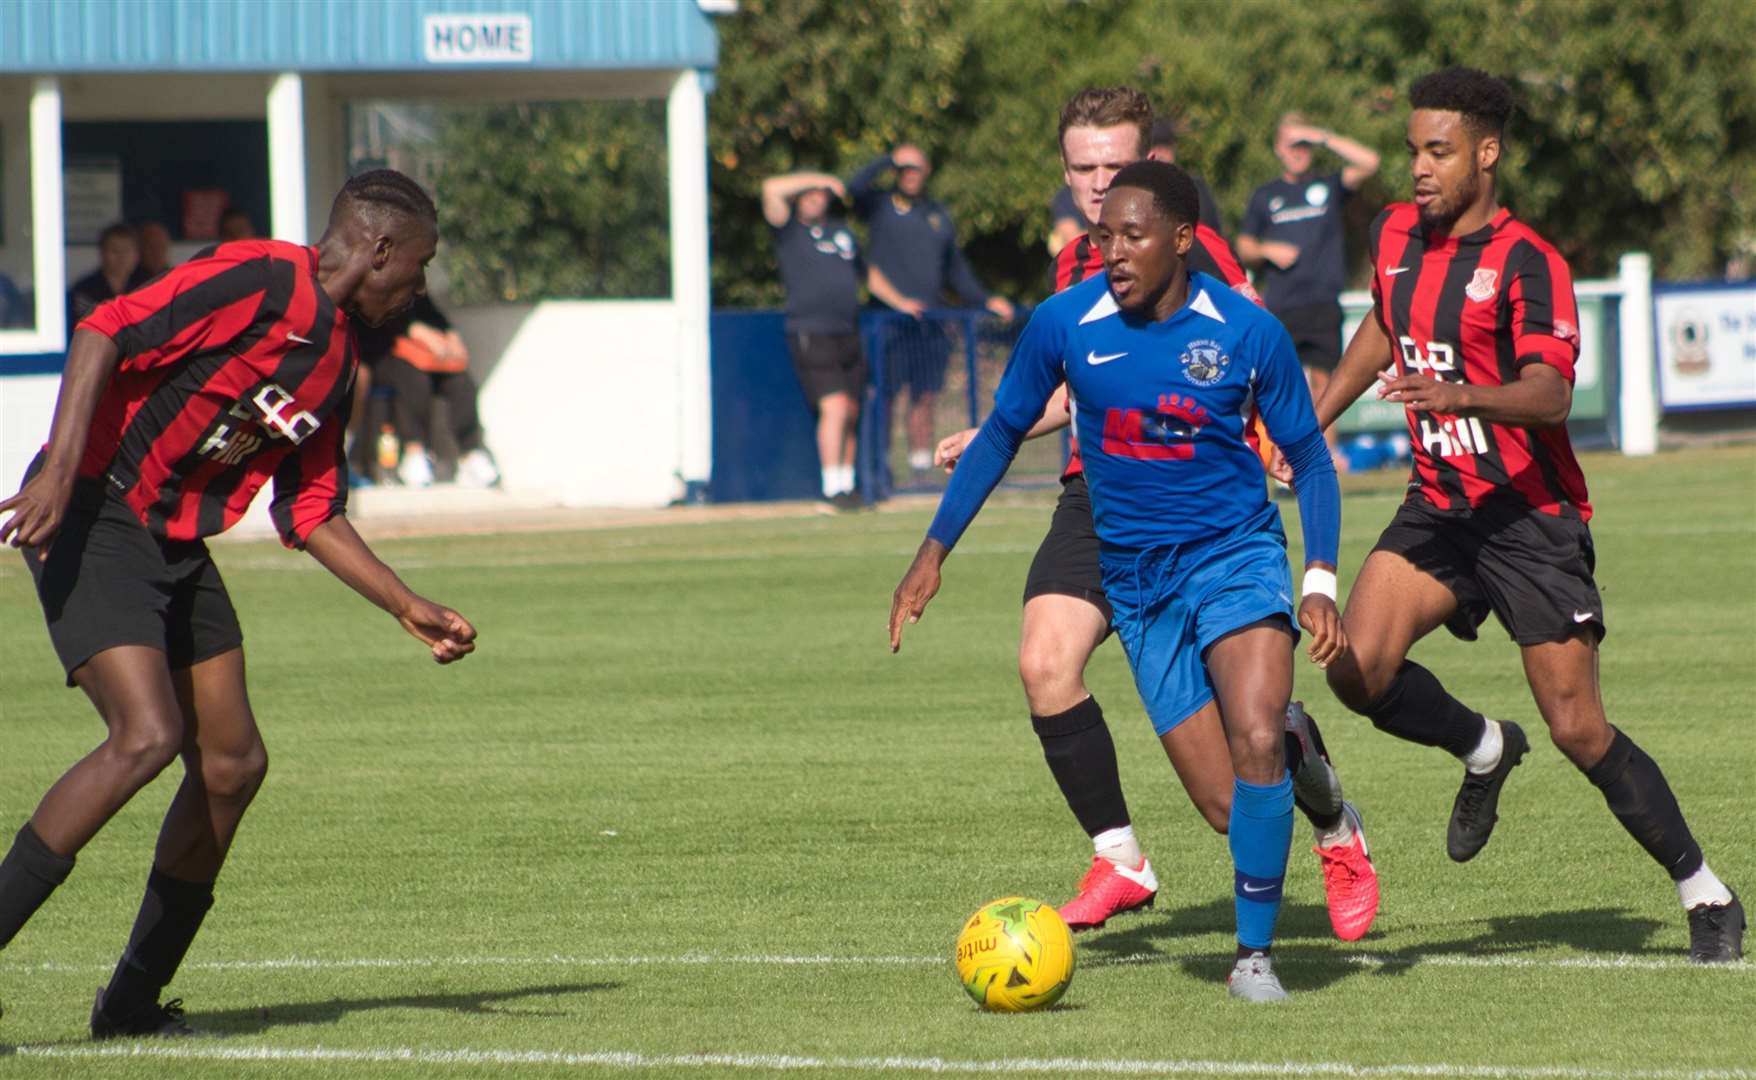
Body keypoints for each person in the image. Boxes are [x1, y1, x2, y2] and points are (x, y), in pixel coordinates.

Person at [0, 169, 479, 1038]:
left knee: (232, 765)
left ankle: (132, 1004)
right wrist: (62, 470)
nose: (421, 283)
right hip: (93, 508)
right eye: (419, 263)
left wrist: (404, 604)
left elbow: (312, 509)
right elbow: (104, 328)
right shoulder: (260, 279)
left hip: (174, 545)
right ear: (378, 249)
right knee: (146, 736)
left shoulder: (340, 362)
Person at [1312, 66, 1743, 963]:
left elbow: (1550, 395)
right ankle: (1482, 747)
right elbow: (1386, 329)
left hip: (1529, 522)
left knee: (1580, 729)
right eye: (1413, 151)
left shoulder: (1529, 263)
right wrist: (1309, 422)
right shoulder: (1394, 232)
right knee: (1355, 668)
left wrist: (1458, 393)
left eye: (1440, 151)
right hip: (1439, 508)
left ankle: (1704, 890)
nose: (1421, 169)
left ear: (1487, 152)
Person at [893, 160, 1345, 1002]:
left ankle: (1253, 957)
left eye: (1133, 236)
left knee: (1251, 734)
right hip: (1137, 583)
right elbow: (998, 434)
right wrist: (933, 551)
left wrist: (1317, 577)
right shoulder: (1065, 323)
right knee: (1226, 803)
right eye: (1104, 236)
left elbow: (1312, 459)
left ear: (1182, 240)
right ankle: (1312, 777)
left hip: (1236, 555)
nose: (1114, 253)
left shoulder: (1247, 331)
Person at [848, 145, 1015, 485]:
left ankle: (921, 469)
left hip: (931, 323)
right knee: (886, 395)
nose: (910, 174)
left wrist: (985, 299)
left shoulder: (937, 213)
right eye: (904, 168)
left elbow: (956, 270)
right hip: (889, 321)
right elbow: (853, 188)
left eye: (916, 168)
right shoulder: (881, 205)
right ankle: (879, 469)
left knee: (925, 396)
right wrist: (888, 159)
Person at [761, 170, 921, 510]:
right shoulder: (790, 230)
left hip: (846, 329)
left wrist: (901, 302)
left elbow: (869, 276)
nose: (817, 198)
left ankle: (847, 487)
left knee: (850, 408)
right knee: (832, 406)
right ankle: (830, 488)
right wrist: (817, 177)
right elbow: (770, 188)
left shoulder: (842, 233)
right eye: (810, 194)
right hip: (811, 330)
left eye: (822, 194)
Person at [1236, 112, 1380, 471]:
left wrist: (1320, 134)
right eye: (1291, 144)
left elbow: (1370, 162)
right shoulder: (1266, 195)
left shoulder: (1328, 186)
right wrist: (1269, 250)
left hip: (1322, 301)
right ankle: (1275, 457)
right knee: (1277, 385)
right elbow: (1243, 245)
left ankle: (1322, 461)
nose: (1298, 151)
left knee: (1325, 383)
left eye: (1304, 145)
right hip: (1283, 304)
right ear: (1278, 149)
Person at [354, 293, 501, 489]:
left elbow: (436, 318)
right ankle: (414, 452)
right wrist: (416, 331)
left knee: (461, 382)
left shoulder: (414, 291)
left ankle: (470, 453)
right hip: (381, 357)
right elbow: (377, 321)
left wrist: (450, 336)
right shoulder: (373, 286)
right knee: (412, 379)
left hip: (425, 360)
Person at [1049, 117, 1224, 256]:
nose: (1100, 183)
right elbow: (1068, 232)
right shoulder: (1067, 266)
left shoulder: (1202, 240)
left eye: (1114, 166)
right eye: (1085, 168)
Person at [66, 223, 141, 330]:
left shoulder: (144, 288)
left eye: (126, 251)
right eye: (114, 250)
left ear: (136, 255)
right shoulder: (84, 290)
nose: (121, 257)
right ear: (102, 253)